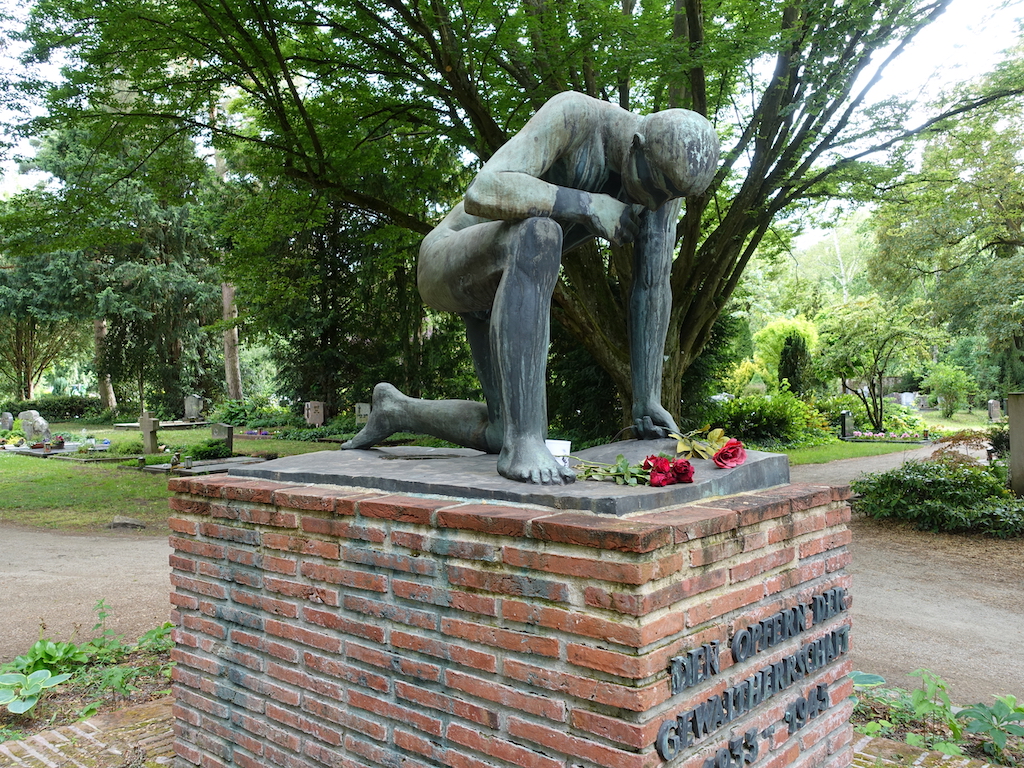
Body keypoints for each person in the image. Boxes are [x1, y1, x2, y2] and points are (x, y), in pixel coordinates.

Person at [343, 91, 719, 485]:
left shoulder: (662, 186)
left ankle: (396, 409)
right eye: (657, 190)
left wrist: (647, 398)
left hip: (505, 288)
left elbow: (652, 285)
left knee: (497, 431)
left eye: (670, 197)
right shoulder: (575, 115)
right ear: (637, 146)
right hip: (446, 260)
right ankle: (525, 441)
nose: (658, 205)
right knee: (540, 233)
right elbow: (484, 190)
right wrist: (589, 204)